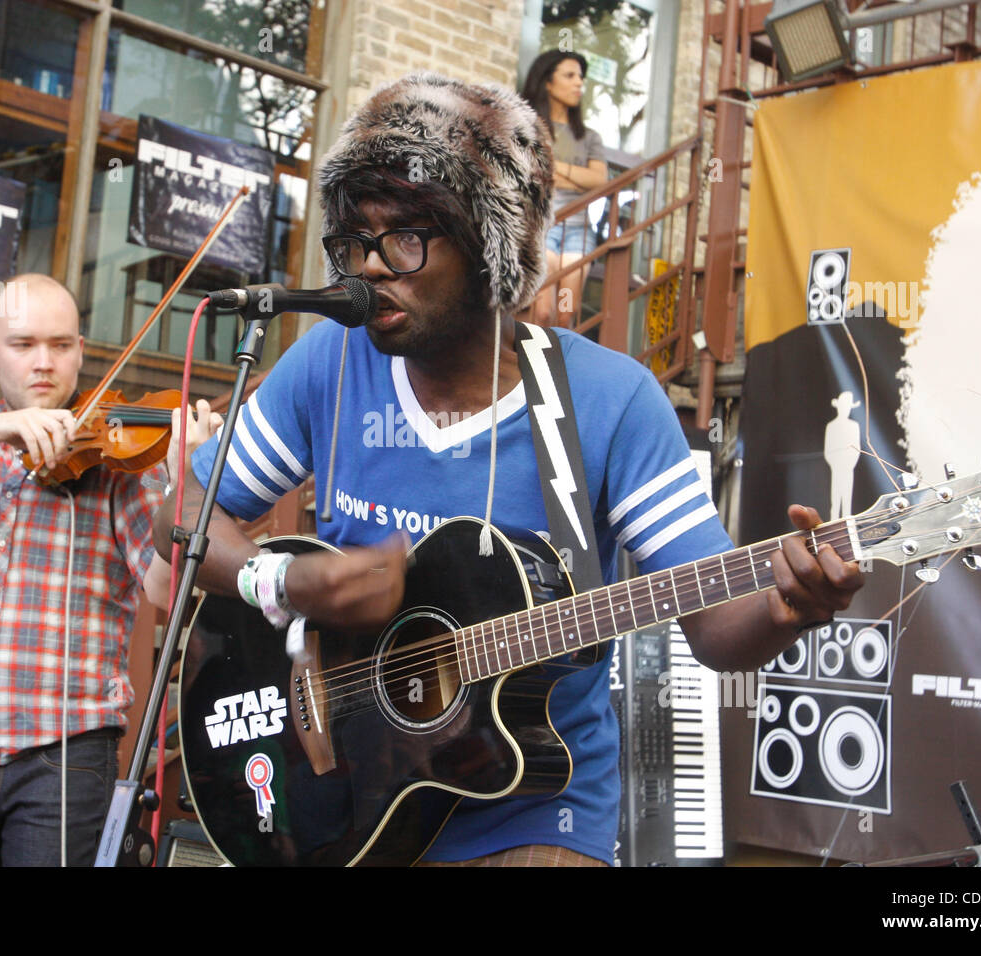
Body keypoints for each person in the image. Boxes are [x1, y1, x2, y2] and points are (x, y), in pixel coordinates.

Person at [156, 73, 864, 866]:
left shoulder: (608, 401)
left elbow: (712, 624)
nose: (370, 268)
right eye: (354, 242)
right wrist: (280, 583)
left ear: (490, 247)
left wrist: (790, 607)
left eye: (408, 238)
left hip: (532, 810)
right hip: (353, 799)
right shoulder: (332, 362)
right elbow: (181, 509)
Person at [0, 273, 216, 866]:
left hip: (64, 754)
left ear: (80, 351)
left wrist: (184, 485)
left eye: (60, 344)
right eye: (23, 345)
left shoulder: (118, 463)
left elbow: (165, 588)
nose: (43, 362)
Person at [521, 50, 609, 328]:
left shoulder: (589, 137)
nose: (578, 83)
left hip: (578, 232)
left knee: (565, 312)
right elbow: (528, 173)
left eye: (581, 77)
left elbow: (599, 180)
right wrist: (577, 177)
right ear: (548, 81)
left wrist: (555, 168)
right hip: (541, 227)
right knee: (543, 312)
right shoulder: (528, 126)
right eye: (569, 76)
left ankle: (557, 369)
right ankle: (531, 365)